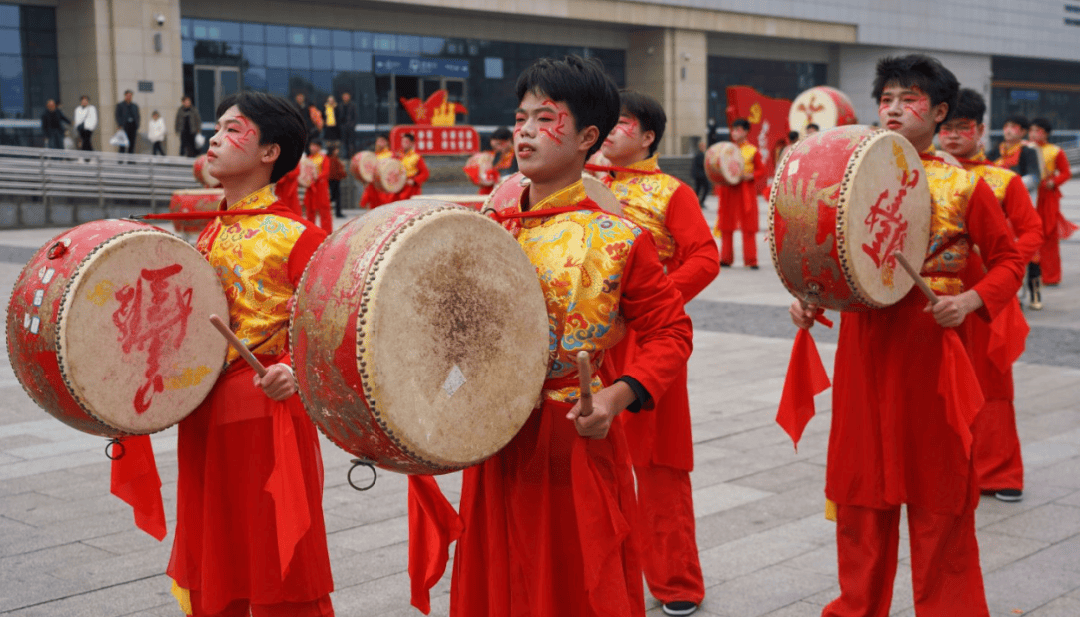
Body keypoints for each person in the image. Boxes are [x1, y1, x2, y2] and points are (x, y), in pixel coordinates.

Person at [408, 55, 694, 617]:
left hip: (571, 434)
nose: (525, 131)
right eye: (520, 118)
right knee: (498, 576)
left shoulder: (618, 239)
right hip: (492, 429)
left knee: (572, 583)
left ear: (589, 136)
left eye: (546, 119)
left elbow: (671, 332)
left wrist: (615, 396)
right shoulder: (486, 223)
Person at [790, 54, 1024, 617]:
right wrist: (809, 298)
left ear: (940, 112)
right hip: (865, 345)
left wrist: (969, 300)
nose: (894, 109)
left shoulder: (964, 185)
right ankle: (856, 606)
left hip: (933, 347)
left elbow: (1010, 260)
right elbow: (825, 254)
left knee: (940, 493)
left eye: (910, 99)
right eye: (887, 99)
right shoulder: (848, 172)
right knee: (860, 491)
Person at [168, 90, 334, 617]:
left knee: (272, 559)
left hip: (265, 419)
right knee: (217, 553)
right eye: (216, 128)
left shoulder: (300, 238)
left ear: (270, 153)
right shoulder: (209, 232)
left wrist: (294, 371)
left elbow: (332, 339)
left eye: (234, 129)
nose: (215, 138)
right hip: (203, 416)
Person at [599, 90, 719, 617]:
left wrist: (655, 301)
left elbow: (705, 257)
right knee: (593, 459)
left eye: (621, 123)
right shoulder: (579, 185)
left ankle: (676, 582)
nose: (609, 131)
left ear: (648, 136)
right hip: (588, 345)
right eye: (605, 122)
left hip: (651, 341)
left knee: (659, 464)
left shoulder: (672, 192)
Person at [938, 87, 1043, 503]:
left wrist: (1003, 262)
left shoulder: (1003, 180)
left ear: (981, 130)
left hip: (986, 298)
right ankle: (950, 466)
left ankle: (1000, 472)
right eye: (945, 128)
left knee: (992, 385)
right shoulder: (923, 174)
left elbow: (1032, 229)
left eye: (962, 128)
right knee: (940, 382)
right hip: (936, 297)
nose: (952, 136)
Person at [714, 118, 764, 268]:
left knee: (748, 225)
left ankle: (751, 260)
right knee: (726, 224)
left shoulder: (753, 151)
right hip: (729, 190)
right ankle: (725, 258)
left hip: (745, 191)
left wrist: (751, 176)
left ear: (746, 131)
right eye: (733, 129)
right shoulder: (726, 150)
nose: (735, 133)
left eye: (738, 130)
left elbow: (761, 170)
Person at [1028, 118, 1073, 287]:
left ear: (1046, 133)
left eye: (1037, 130)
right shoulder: (1024, 148)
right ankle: (1032, 272)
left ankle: (1051, 276)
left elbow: (1066, 172)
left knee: (1049, 234)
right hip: (1029, 193)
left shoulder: (1055, 151)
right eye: (1031, 130)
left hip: (1047, 196)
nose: (1033, 133)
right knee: (1028, 233)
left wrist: (1054, 181)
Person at [994, 115, 1040, 192]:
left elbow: (1034, 177)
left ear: (1023, 132)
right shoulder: (997, 149)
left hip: (1018, 194)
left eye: (1013, 127)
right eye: (1006, 127)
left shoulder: (1028, 151)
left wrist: (1010, 185)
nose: (1008, 130)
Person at [468, 127, 515, 195]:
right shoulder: (495, 155)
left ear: (509, 141)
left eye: (499, 144)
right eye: (494, 147)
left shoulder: (517, 155)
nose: (497, 149)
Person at [302, 140, 332, 233]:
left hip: (321, 187)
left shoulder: (324, 158)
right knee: (310, 210)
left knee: (324, 210)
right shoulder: (308, 158)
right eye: (311, 145)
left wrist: (317, 177)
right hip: (311, 187)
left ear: (319, 147)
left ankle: (327, 232)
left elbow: (326, 172)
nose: (312, 148)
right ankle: (310, 231)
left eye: (314, 146)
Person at [359, 134, 393, 208]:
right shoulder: (373, 155)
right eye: (378, 141)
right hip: (373, 185)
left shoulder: (391, 155)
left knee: (385, 206)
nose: (379, 143)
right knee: (372, 206)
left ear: (387, 142)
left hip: (384, 185)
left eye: (381, 141)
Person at [394, 132, 428, 200]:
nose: (403, 144)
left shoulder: (416, 157)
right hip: (400, 186)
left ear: (412, 143)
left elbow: (425, 173)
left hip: (411, 188)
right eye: (402, 141)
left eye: (406, 142)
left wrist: (414, 181)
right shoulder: (399, 156)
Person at [115, 89, 140, 154]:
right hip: (124, 126)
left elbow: (137, 116)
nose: (129, 97)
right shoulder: (120, 105)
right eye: (128, 96)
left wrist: (137, 125)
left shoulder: (134, 106)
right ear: (125, 96)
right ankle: (121, 160)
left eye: (130, 96)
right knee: (122, 144)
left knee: (131, 144)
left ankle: (130, 161)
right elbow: (118, 116)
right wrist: (120, 125)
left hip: (132, 126)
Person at [327, 145, 347, 218]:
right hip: (334, 180)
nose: (337, 151)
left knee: (334, 197)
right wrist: (343, 173)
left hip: (332, 179)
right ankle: (338, 213)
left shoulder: (330, 158)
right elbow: (336, 171)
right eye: (336, 149)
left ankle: (337, 212)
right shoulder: (333, 159)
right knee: (336, 197)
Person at [691, 139, 709, 208]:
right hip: (700, 175)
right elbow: (702, 164)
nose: (703, 147)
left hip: (700, 175)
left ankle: (698, 202)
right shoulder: (700, 155)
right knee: (705, 188)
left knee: (698, 189)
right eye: (702, 146)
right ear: (699, 147)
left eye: (704, 146)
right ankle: (699, 202)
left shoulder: (700, 154)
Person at [338, 91, 357, 157]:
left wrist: (353, 125)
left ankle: (352, 155)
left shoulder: (353, 105)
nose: (345, 98)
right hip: (343, 127)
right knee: (344, 143)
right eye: (344, 97)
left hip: (350, 127)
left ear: (349, 97)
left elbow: (355, 116)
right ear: (342, 98)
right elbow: (338, 116)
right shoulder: (340, 105)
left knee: (351, 142)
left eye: (347, 96)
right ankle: (345, 156)